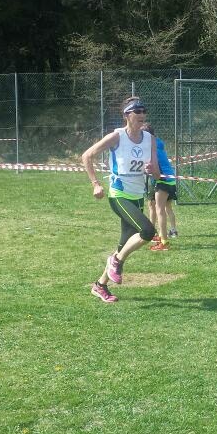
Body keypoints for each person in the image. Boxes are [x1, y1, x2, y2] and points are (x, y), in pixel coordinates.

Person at [81, 97, 159, 303]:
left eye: (144, 110)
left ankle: (100, 285)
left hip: (138, 196)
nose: (142, 114)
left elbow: (157, 174)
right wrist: (96, 184)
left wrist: (152, 169)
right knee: (148, 231)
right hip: (119, 195)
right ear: (127, 115)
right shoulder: (117, 136)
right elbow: (87, 156)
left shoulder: (150, 139)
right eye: (137, 111)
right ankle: (116, 261)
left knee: (124, 245)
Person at [142, 123, 179, 251]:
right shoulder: (158, 143)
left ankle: (164, 242)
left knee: (160, 210)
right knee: (160, 208)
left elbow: (153, 167)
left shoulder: (151, 148)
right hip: (170, 179)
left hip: (163, 180)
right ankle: (161, 235)